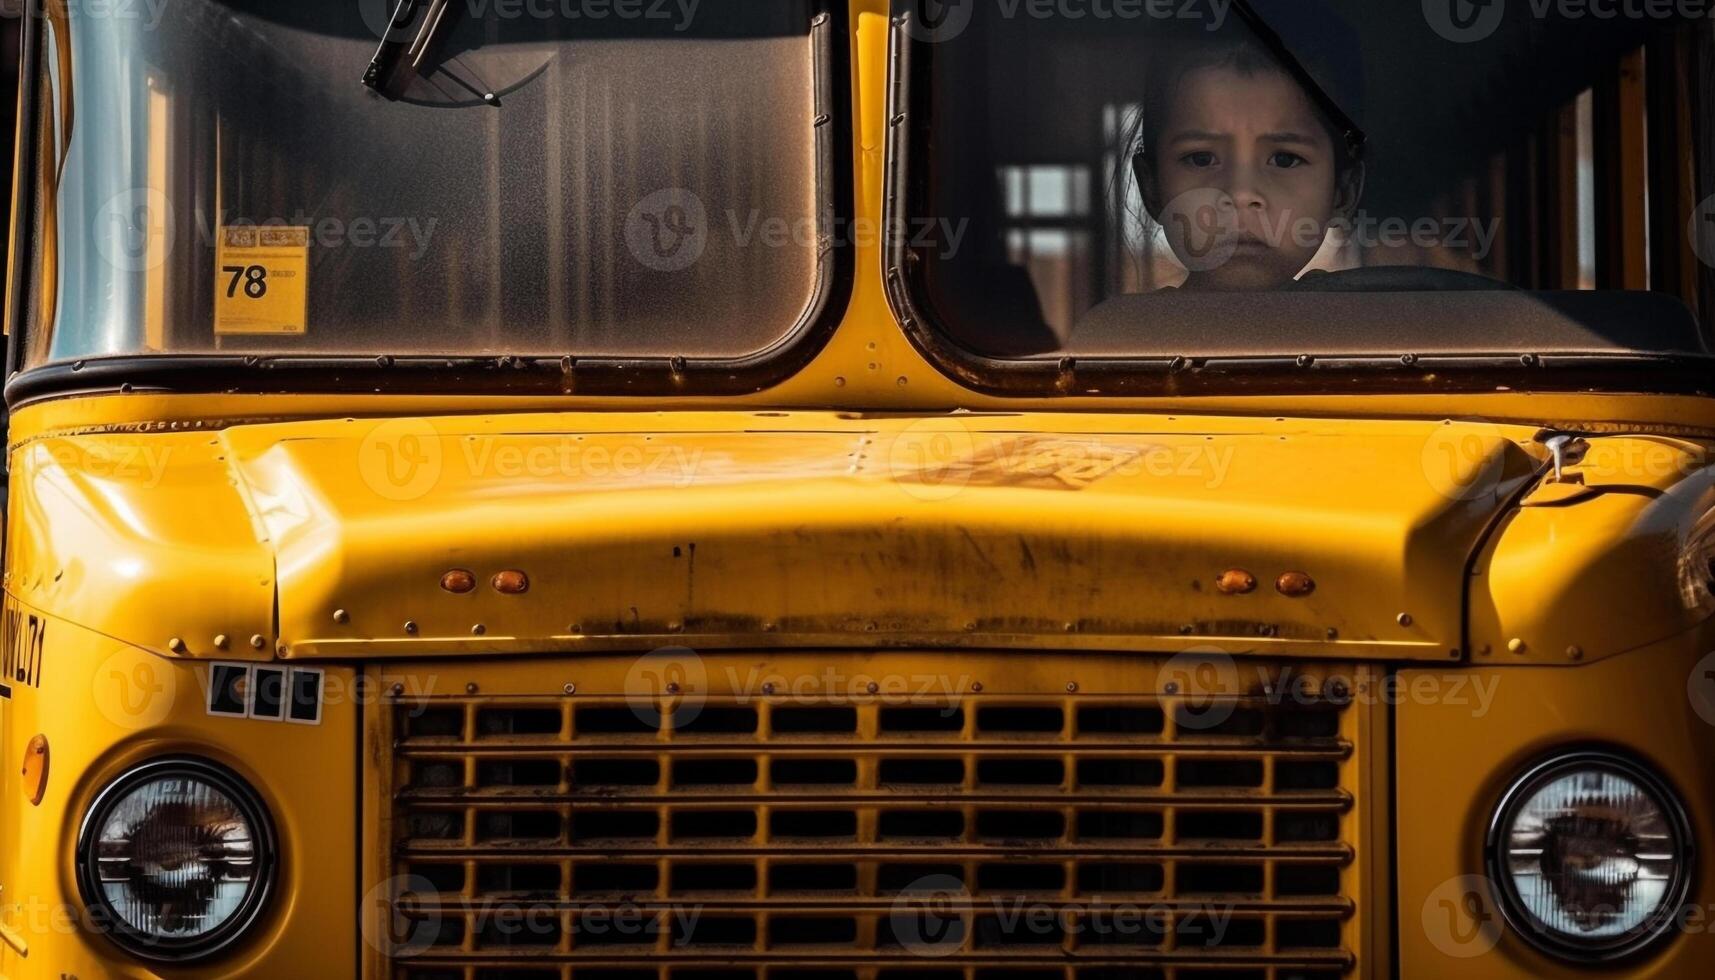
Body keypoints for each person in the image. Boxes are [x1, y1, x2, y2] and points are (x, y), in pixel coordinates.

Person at [1128, 38, 1366, 292]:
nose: (1241, 194)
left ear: (1342, 193)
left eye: (1284, 159)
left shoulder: (1370, 329)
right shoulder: (1123, 331)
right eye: (1201, 159)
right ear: (1151, 187)